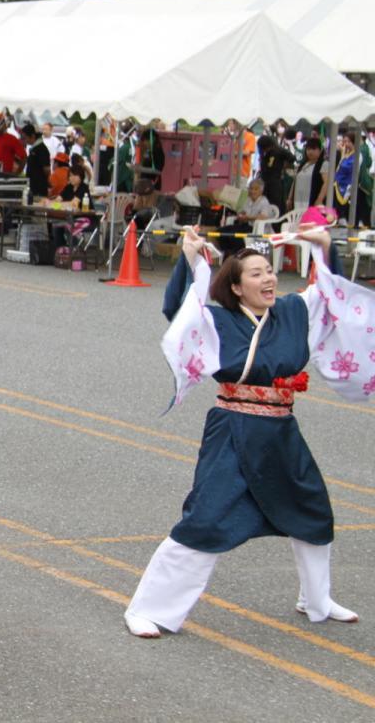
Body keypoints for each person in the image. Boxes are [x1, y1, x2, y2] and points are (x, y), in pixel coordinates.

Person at [124, 224, 374, 639]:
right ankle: (150, 609)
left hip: (281, 430)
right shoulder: (217, 321)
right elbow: (180, 312)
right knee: (206, 518)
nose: (269, 278)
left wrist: (326, 249)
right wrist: (189, 259)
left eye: (269, 271)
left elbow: (334, 298)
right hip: (234, 429)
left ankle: (316, 600)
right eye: (256, 274)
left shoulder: (295, 312)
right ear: (237, 288)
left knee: (312, 510)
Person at [218, 178, 280, 255]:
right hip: (246, 225)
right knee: (222, 231)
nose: (252, 191)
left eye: (256, 189)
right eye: (251, 189)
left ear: (261, 191)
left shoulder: (264, 201)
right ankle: (227, 254)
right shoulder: (248, 200)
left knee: (236, 236)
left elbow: (263, 217)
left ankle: (239, 255)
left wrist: (248, 217)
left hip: (257, 229)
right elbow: (243, 211)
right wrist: (240, 215)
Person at [256, 134, 296, 215]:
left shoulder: (279, 150)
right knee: (266, 204)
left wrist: (284, 166)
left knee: (276, 205)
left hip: (275, 182)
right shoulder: (264, 154)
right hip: (265, 182)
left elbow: (292, 158)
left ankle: (277, 224)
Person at [293, 137, 330, 210]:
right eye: (308, 149)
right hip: (297, 201)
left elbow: (327, 183)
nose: (310, 152)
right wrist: (290, 198)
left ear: (320, 150)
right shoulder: (303, 164)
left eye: (313, 149)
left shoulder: (324, 164)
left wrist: (320, 199)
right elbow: (295, 182)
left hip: (311, 200)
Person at [21, 123, 49, 205]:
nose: (24, 140)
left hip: (39, 190)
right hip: (32, 188)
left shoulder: (41, 149)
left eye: (25, 138)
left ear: (32, 136)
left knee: (38, 214)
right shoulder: (34, 149)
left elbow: (46, 169)